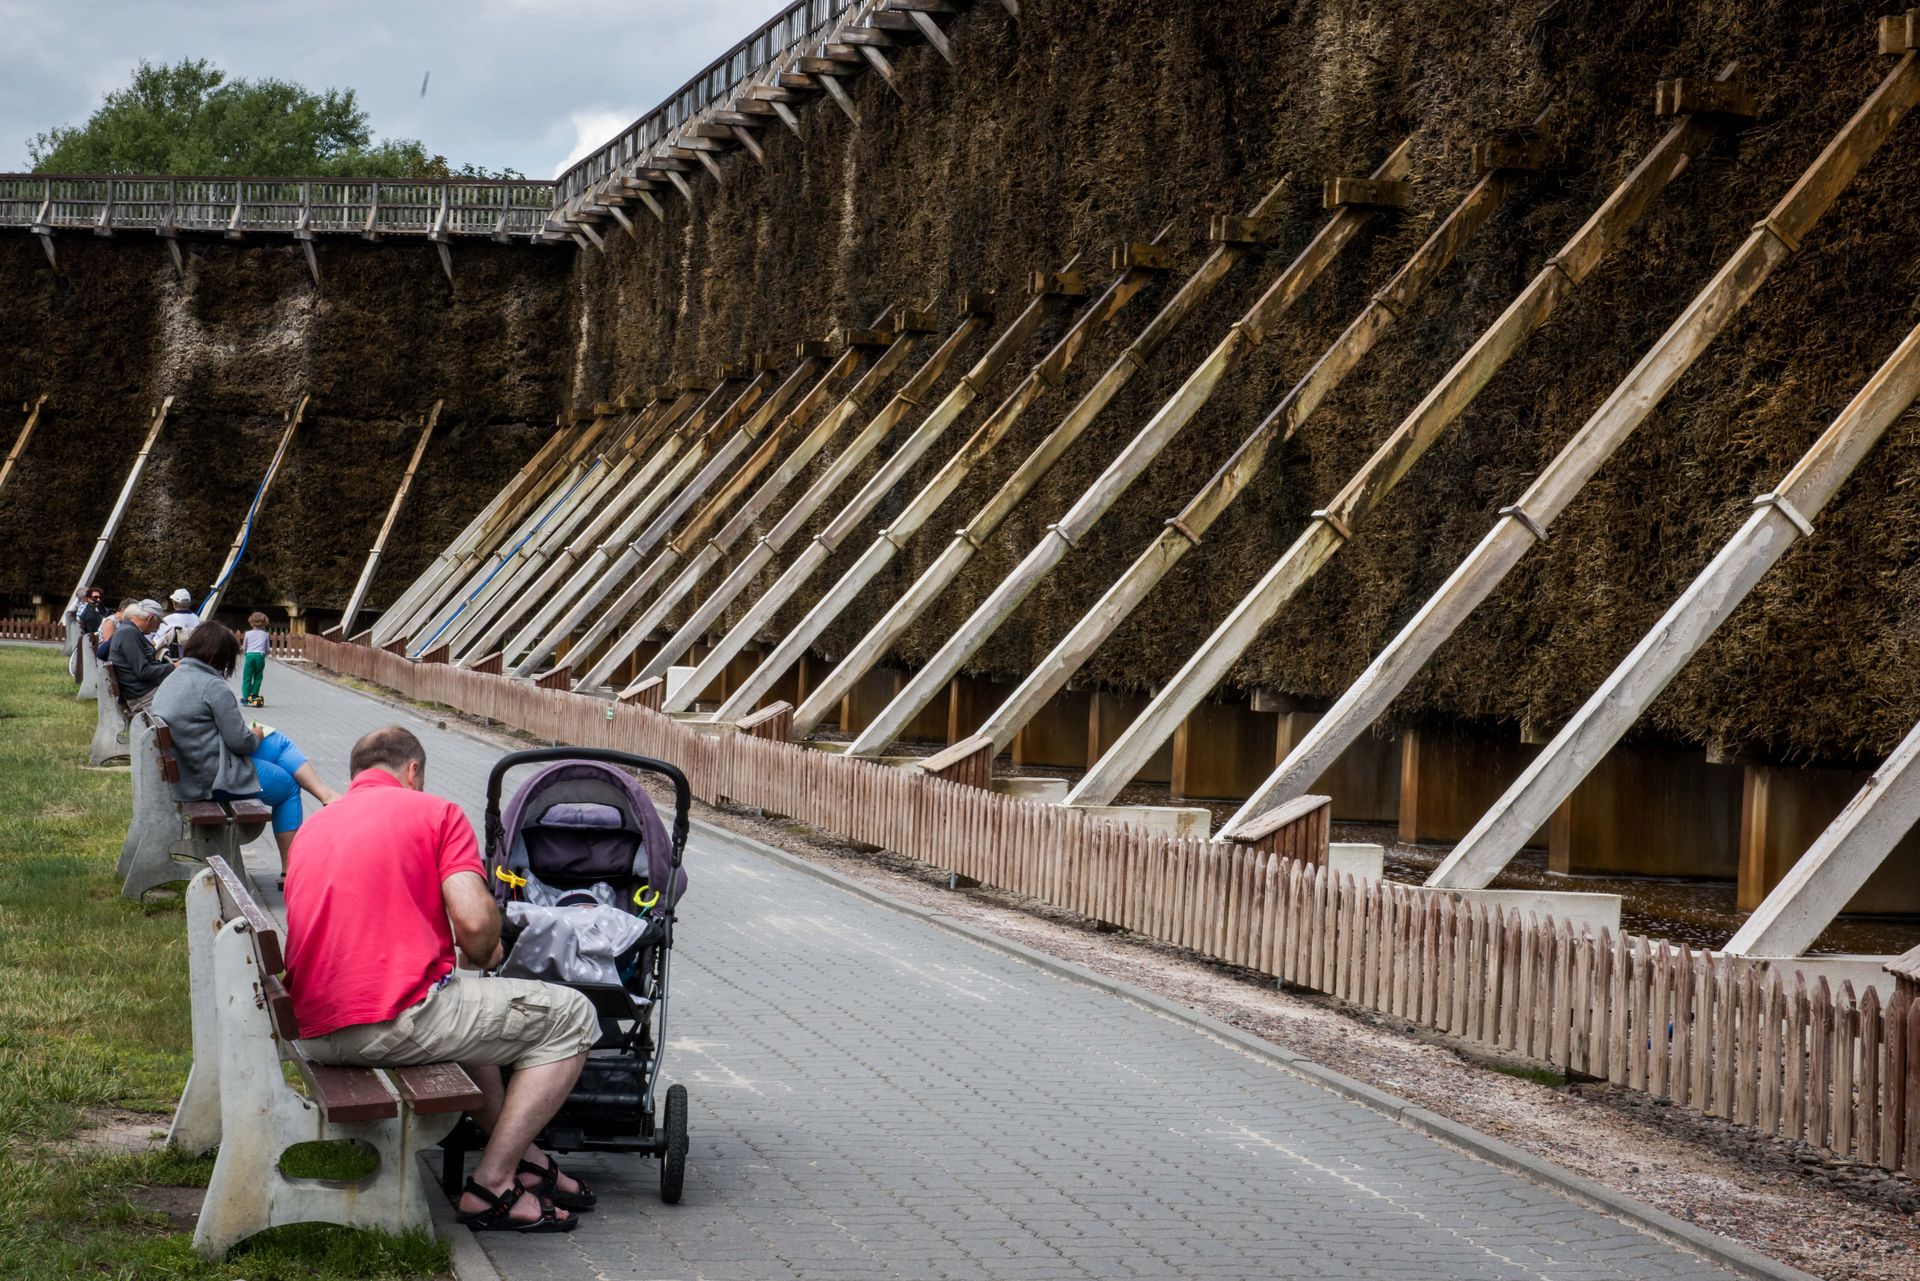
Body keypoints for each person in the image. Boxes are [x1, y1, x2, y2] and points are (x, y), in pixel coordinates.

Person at [287, 727, 597, 1235]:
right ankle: (492, 1187)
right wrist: (486, 947)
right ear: (413, 771)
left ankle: (530, 1161)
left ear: (358, 773)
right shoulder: (436, 813)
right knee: (573, 1016)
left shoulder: (315, 827)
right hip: (384, 1022)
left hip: (315, 1031)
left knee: (475, 1020)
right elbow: (474, 925)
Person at [150, 623, 338, 868]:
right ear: (218, 657)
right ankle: (290, 870)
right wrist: (255, 734)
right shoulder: (212, 685)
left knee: (277, 742)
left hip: (192, 766)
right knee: (289, 787)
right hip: (210, 779)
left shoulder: (174, 678)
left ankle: (326, 795)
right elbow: (241, 743)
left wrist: (253, 735)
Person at [107, 600, 175, 713]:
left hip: (141, 691)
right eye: (159, 623)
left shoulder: (129, 630)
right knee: (189, 692)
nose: (158, 628)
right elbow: (143, 671)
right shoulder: (129, 633)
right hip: (141, 697)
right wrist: (173, 667)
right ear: (150, 618)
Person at [157, 588, 202, 659]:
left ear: (174, 604)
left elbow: (157, 640)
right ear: (189, 604)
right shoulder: (197, 620)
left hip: (172, 659)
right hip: (193, 657)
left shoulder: (167, 620)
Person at [241, 612, 271, 707]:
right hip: (260, 656)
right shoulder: (265, 634)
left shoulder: (248, 633)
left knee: (247, 676)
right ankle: (254, 695)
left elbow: (244, 646)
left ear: (251, 622)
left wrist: (246, 653)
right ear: (265, 623)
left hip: (249, 655)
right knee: (258, 676)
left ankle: (245, 698)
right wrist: (265, 654)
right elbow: (267, 648)